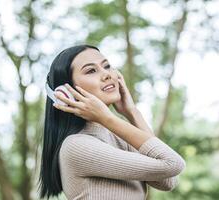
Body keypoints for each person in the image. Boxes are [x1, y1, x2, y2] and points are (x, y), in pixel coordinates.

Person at [38, 44, 186, 200]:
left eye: (107, 66)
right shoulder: (76, 146)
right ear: (66, 94)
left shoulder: (118, 135)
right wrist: (107, 117)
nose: (107, 74)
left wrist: (132, 112)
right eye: (91, 70)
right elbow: (172, 163)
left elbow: (167, 181)